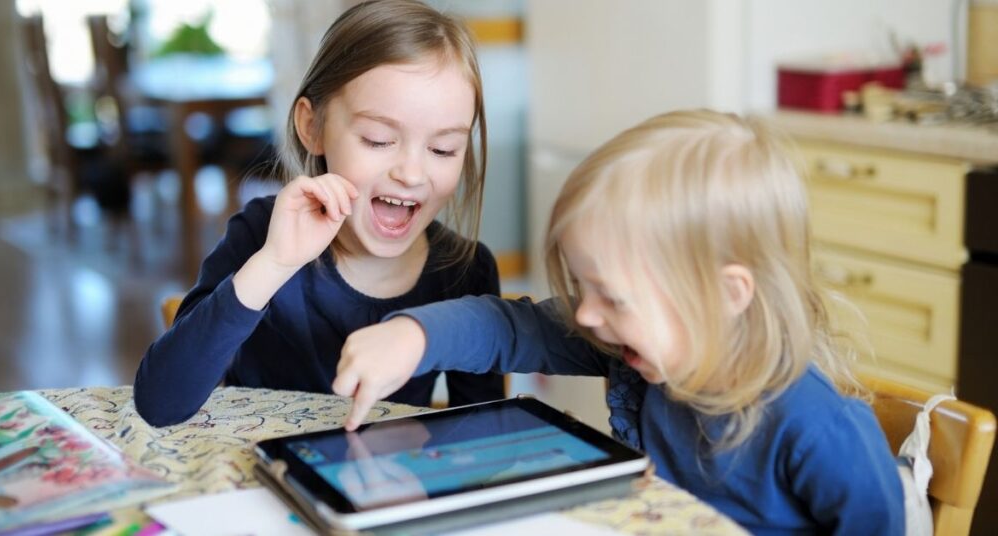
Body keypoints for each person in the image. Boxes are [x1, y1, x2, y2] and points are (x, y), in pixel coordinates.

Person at [332, 110, 905, 534]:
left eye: (613, 297)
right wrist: (415, 335)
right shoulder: (625, 349)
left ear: (726, 294)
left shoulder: (817, 429)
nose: (586, 314)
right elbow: (509, 329)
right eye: (583, 289)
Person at [134, 0, 505, 427]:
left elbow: (481, 435)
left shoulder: (467, 272)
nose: (411, 173)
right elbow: (158, 405)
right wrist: (272, 264)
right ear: (313, 128)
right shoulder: (262, 235)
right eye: (379, 139)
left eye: (443, 149)